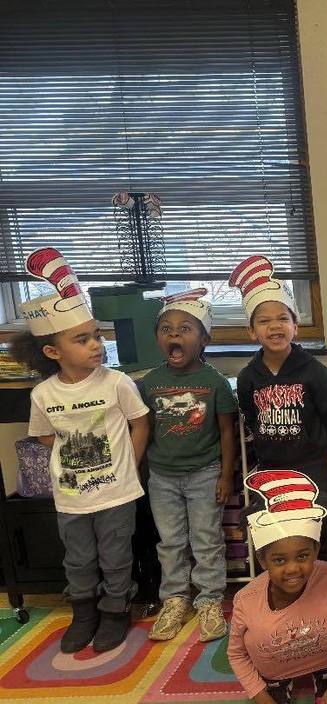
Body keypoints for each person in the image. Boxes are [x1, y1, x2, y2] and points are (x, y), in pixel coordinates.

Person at [12, 248, 150, 653]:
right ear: (53, 352)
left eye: (97, 335)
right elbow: (43, 437)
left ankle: (114, 610)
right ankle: (84, 611)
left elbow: (139, 423)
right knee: (79, 559)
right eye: (83, 339)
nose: (96, 344)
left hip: (117, 492)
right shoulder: (43, 394)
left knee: (115, 556)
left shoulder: (116, 383)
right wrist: (72, 458)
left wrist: (131, 465)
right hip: (71, 497)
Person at [231, 255, 327, 561]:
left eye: (283, 318)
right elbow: (249, 416)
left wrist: (320, 445)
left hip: (311, 466)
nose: (274, 326)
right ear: (252, 331)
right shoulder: (248, 377)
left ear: (296, 325)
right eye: (264, 320)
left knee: (321, 520)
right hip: (271, 466)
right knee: (275, 532)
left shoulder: (315, 372)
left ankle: (325, 579)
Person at [139, 289, 238, 642]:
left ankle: (210, 600)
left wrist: (226, 475)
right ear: (158, 339)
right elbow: (143, 431)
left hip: (204, 474)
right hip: (162, 477)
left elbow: (227, 432)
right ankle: (176, 599)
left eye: (184, 329)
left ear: (204, 338)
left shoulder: (215, 383)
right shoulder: (149, 383)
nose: (174, 336)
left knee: (206, 539)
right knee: (170, 542)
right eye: (166, 329)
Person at [228, 469, 327, 704]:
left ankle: (325, 678)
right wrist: (260, 695)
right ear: (263, 561)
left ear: (315, 550)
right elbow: (236, 653)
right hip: (273, 674)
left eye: (302, 556)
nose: (293, 569)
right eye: (280, 560)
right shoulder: (246, 599)